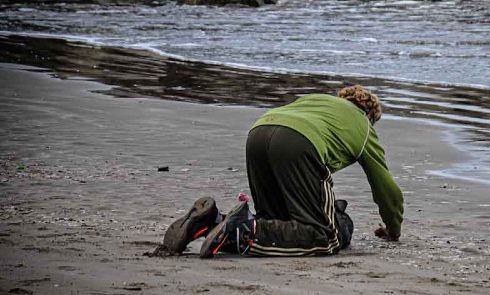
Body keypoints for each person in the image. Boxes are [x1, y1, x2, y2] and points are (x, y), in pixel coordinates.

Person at [162, 85, 403, 257]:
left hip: (259, 133)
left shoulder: (316, 100)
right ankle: (242, 229)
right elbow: (386, 189)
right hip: (299, 143)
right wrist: (393, 229)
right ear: (371, 115)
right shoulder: (364, 125)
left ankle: (210, 221)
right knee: (322, 237)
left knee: (275, 221)